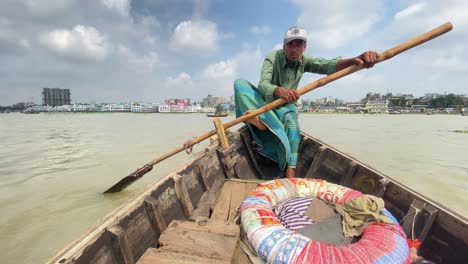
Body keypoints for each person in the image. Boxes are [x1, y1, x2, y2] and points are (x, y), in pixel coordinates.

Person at [234, 26, 378, 179]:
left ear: (305, 47)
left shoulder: (305, 61)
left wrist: (355, 59)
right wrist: (279, 91)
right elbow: (263, 84)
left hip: (285, 107)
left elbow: (328, 65)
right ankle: (263, 122)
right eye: (291, 44)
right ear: (284, 47)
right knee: (240, 84)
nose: (294, 49)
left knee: (292, 124)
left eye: (299, 44)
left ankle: (290, 171)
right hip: (264, 104)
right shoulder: (273, 57)